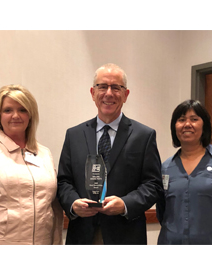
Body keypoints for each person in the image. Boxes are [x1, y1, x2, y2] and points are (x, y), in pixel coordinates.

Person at [57, 63, 163, 244]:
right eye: (102, 86)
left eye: (116, 87)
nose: (108, 93)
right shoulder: (74, 135)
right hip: (82, 234)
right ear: (92, 93)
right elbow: (64, 181)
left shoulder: (144, 135)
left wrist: (126, 204)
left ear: (125, 95)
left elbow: (153, 184)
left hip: (126, 234)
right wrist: (73, 204)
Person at [0, 84, 63, 245]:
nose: (15, 115)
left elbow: (53, 208)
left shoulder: (44, 153)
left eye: (22, 109)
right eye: (8, 110)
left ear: (31, 115)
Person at [157, 99, 212, 245]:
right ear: (174, 127)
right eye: (181, 120)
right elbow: (162, 211)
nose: (187, 124)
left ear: (204, 126)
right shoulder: (166, 167)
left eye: (194, 119)